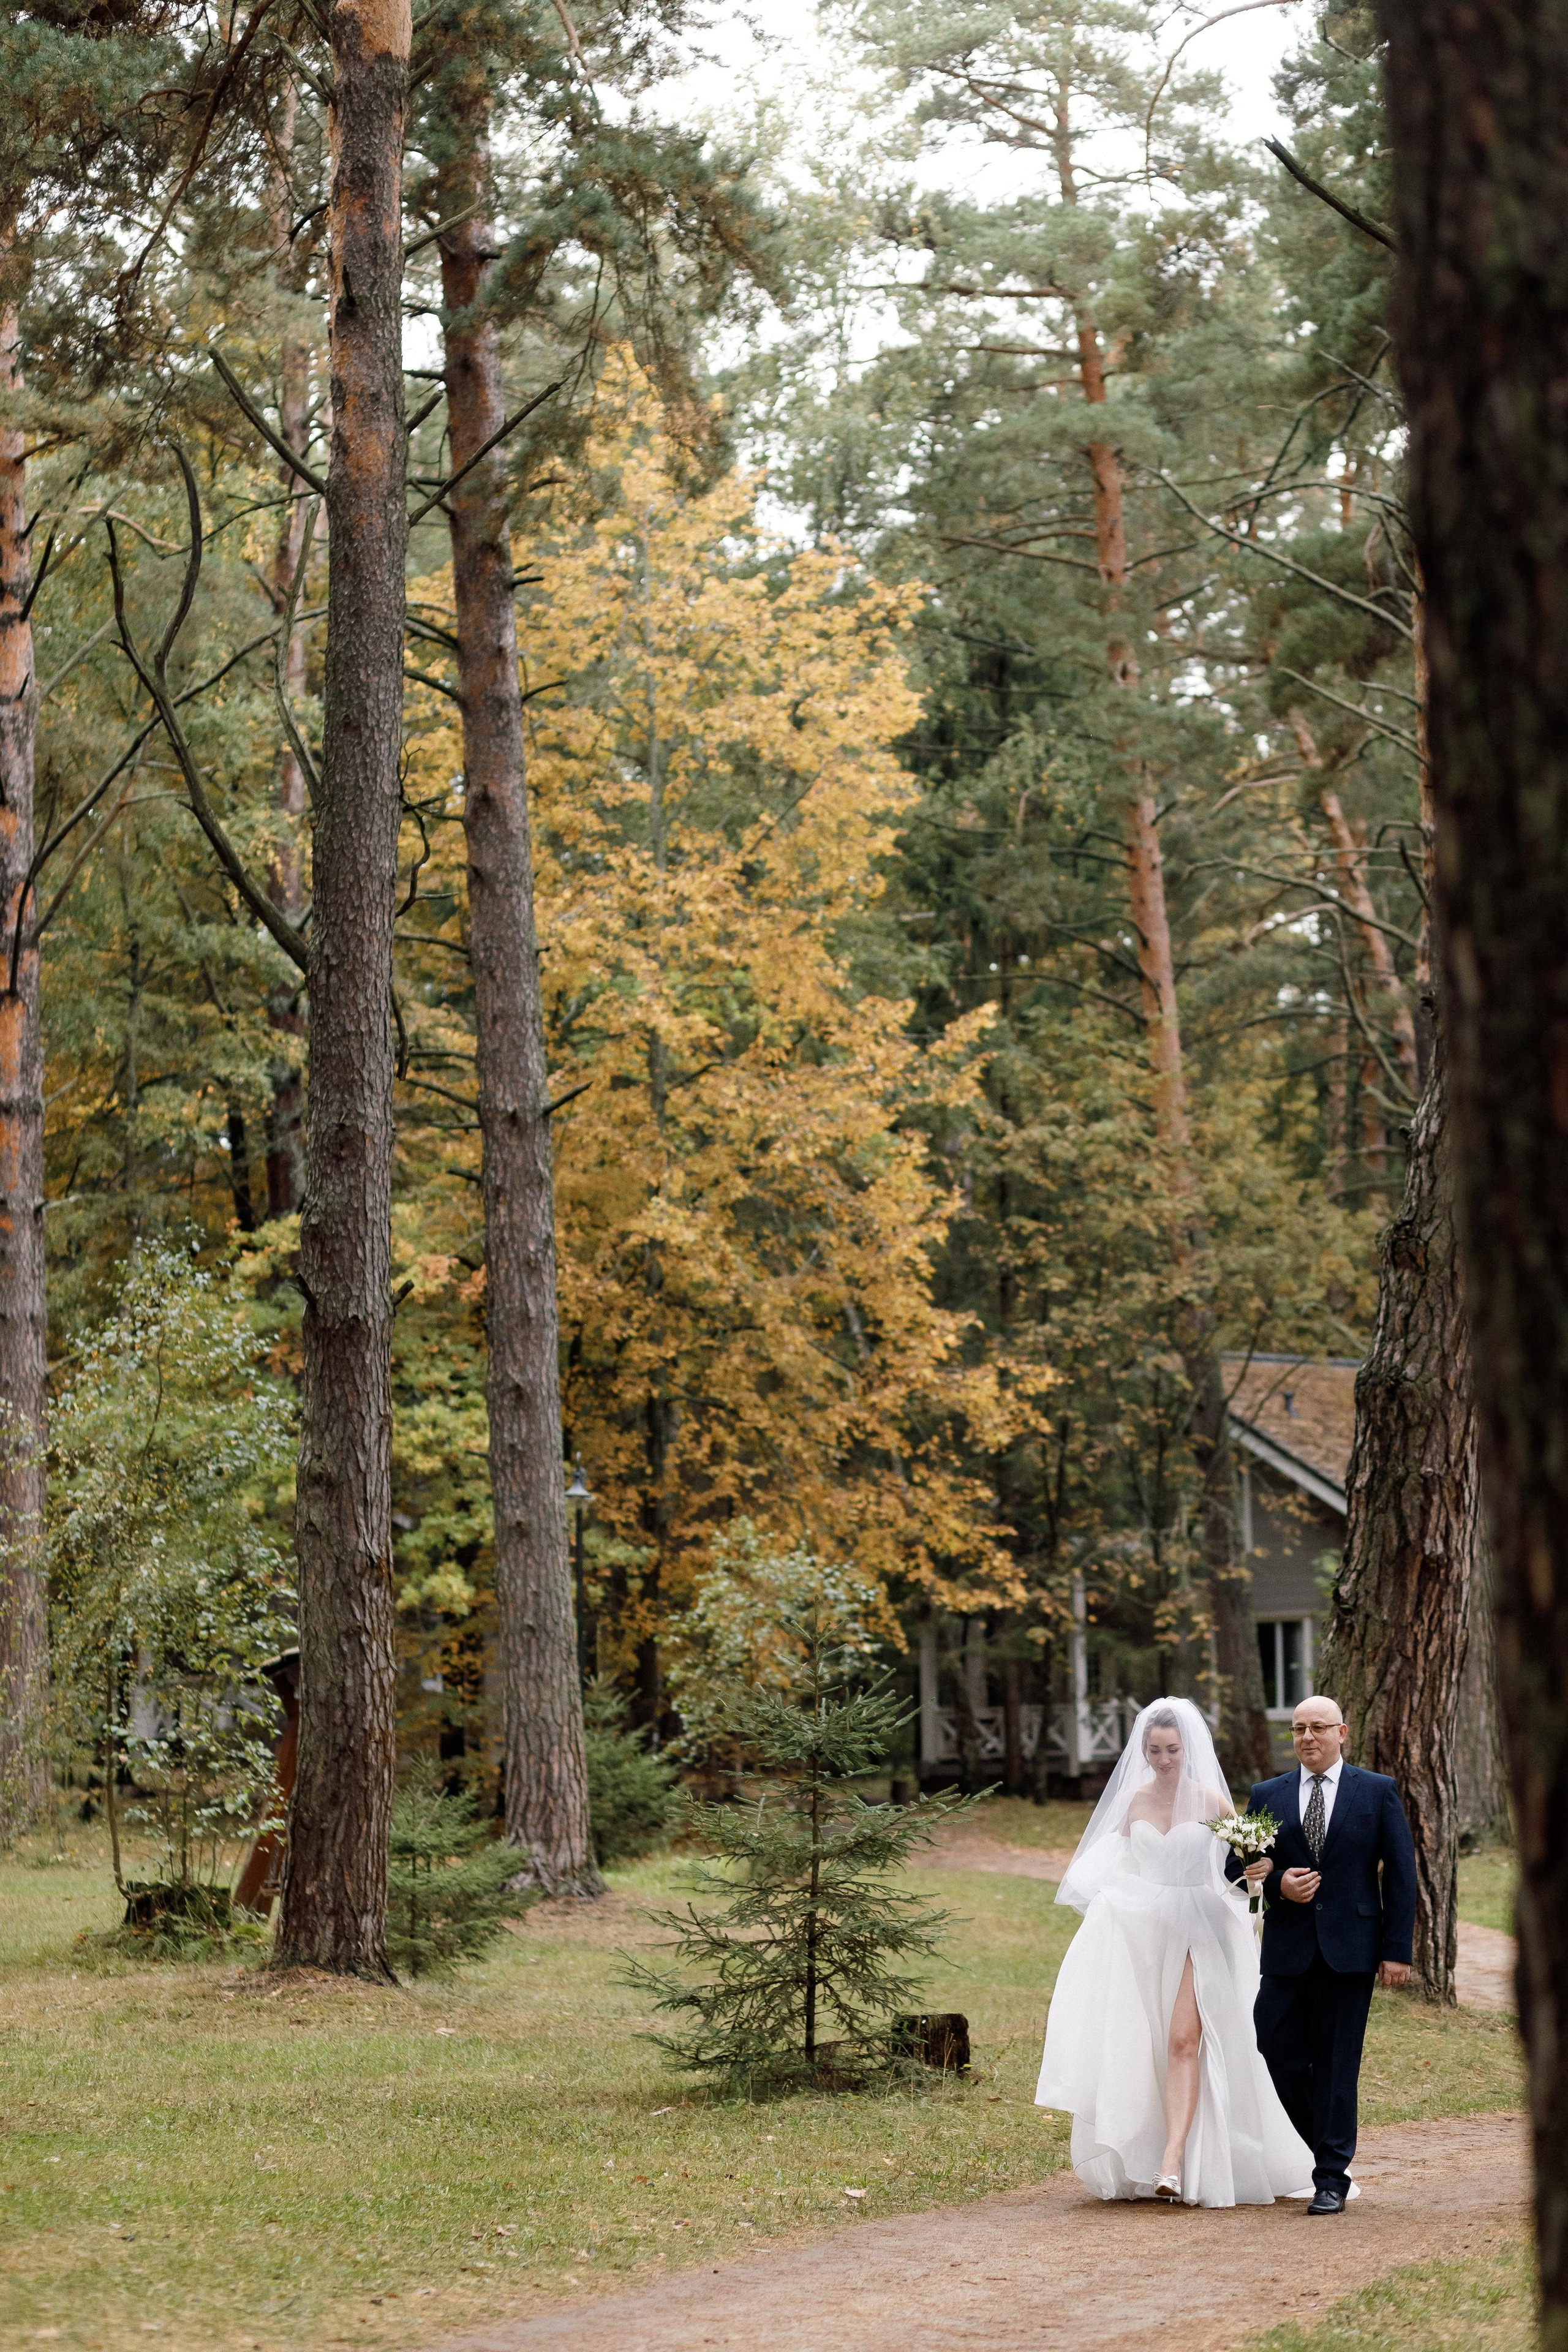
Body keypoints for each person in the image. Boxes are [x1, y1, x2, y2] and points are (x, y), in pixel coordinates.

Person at [1035, 1697, 1313, 2207]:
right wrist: (1113, 1909)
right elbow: (1110, 1866)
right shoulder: (1133, 1804)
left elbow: (1252, 1870)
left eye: (1173, 1750)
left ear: (1190, 1750)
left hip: (1200, 1927)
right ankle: (1143, 2152)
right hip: (1145, 1934)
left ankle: (1173, 2160)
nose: (1165, 1760)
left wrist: (1259, 1878)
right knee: (1147, 2044)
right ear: (1143, 1751)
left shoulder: (1213, 1802)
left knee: (1185, 2039)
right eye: (1155, 1750)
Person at [1229, 1693, 1416, 2217]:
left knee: (1337, 2065)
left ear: (1342, 1733)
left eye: (1317, 1727)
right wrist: (1275, 1883)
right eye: (1297, 1729)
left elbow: (1402, 1876)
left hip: (1351, 1950)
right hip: (1288, 1949)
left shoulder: (1376, 1792)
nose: (1306, 1737)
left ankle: (1330, 2177)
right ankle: (1327, 2149)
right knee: (1275, 2042)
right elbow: (1236, 1864)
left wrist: (1396, 1951)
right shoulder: (1268, 1793)